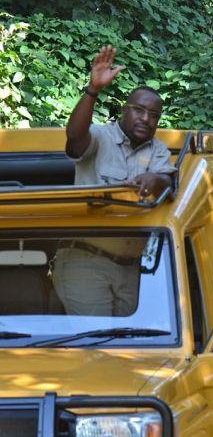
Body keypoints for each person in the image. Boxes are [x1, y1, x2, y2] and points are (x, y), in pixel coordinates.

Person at [54, 45, 176, 316]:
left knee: (128, 342)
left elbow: (168, 184)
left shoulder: (157, 149)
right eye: (139, 110)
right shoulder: (100, 137)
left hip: (131, 268)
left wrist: (154, 179)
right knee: (98, 340)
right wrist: (93, 90)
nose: (146, 119)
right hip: (86, 262)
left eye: (154, 115)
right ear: (124, 110)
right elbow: (74, 137)